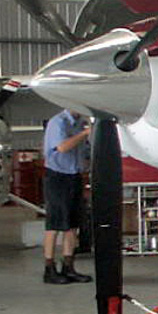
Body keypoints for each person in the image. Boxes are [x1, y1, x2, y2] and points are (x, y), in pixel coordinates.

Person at [42, 107, 93, 285]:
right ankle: (49, 268)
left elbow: (84, 150)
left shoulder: (80, 123)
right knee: (55, 223)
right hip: (57, 175)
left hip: (74, 175)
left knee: (72, 224)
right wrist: (85, 133)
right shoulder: (58, 122)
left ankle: (68, 266)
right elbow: (63, 147)